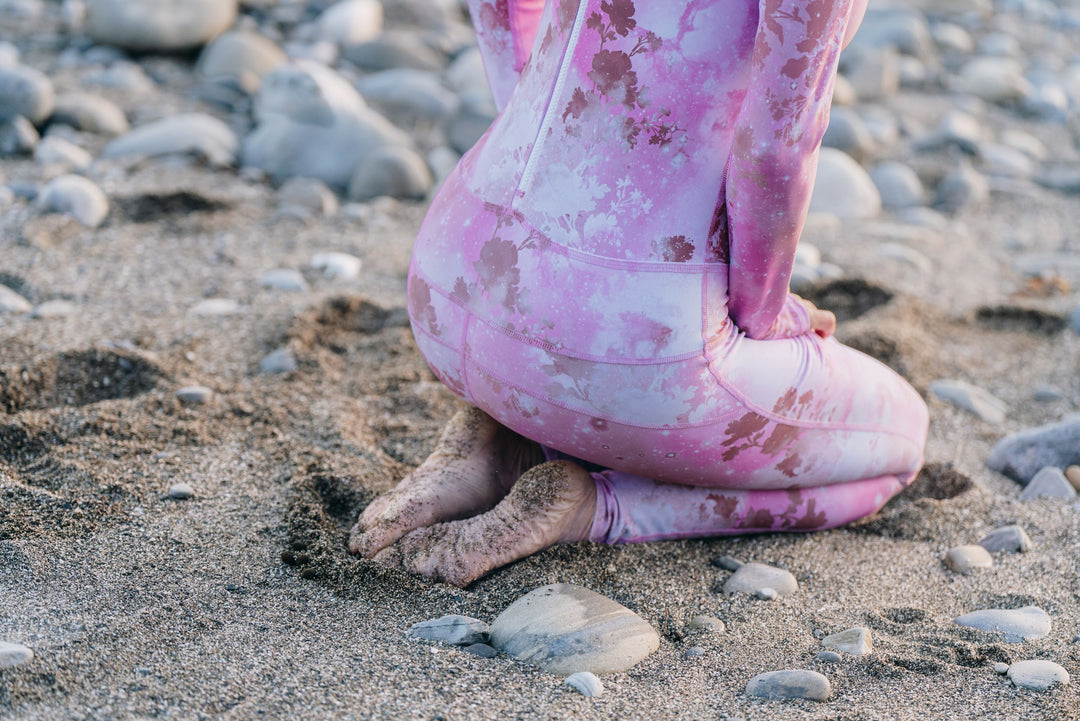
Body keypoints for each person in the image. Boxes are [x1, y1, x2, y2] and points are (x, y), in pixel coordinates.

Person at [348, 0, 929, 586]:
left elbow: (499, 9)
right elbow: (775, 149)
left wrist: (551, 197)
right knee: (903, 445)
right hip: (619, 346)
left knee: (555, 356)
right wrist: (764, 312)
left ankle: (495, 436)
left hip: (449, 275)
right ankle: (596, 508)